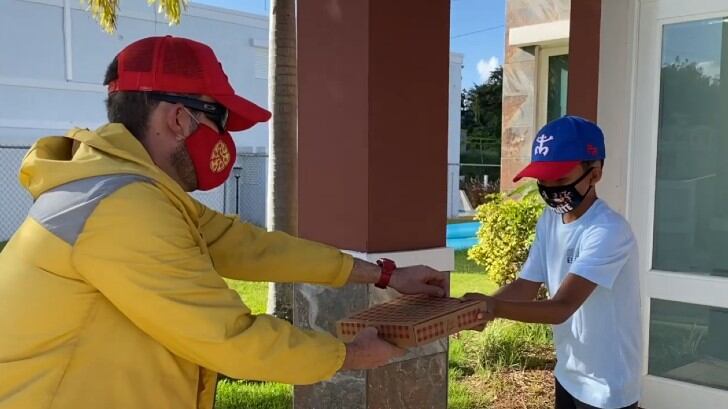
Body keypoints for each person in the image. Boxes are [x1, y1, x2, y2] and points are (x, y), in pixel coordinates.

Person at [0, 36, 447, 409]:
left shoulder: (128, 188)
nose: (225, 140)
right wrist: (348, 355)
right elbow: (229, 338)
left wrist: (385, 274)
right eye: (220, 122)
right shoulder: (123, 207)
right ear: (179, 118)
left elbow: (246, 245)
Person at [464, 116, 642, 409]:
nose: (549, 188)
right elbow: (526, 286)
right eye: (543, 179)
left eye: (559, 179)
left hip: (608, 387)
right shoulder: (550, 220)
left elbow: (562, 307)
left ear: (594, 173)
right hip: (569, 374)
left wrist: (492, 307)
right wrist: (481, 309)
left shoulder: (609, 230)